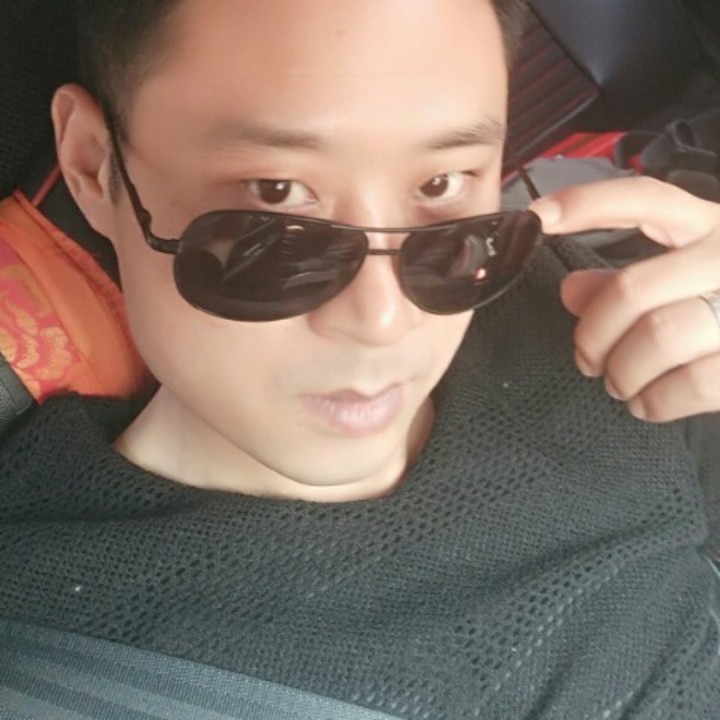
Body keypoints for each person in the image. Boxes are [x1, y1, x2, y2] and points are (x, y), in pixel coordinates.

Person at [0, 0, 718, 717]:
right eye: (277, 194)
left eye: (439, 185)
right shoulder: (53, 655)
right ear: (93, 165)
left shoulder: (574, 306)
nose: (383, 319)